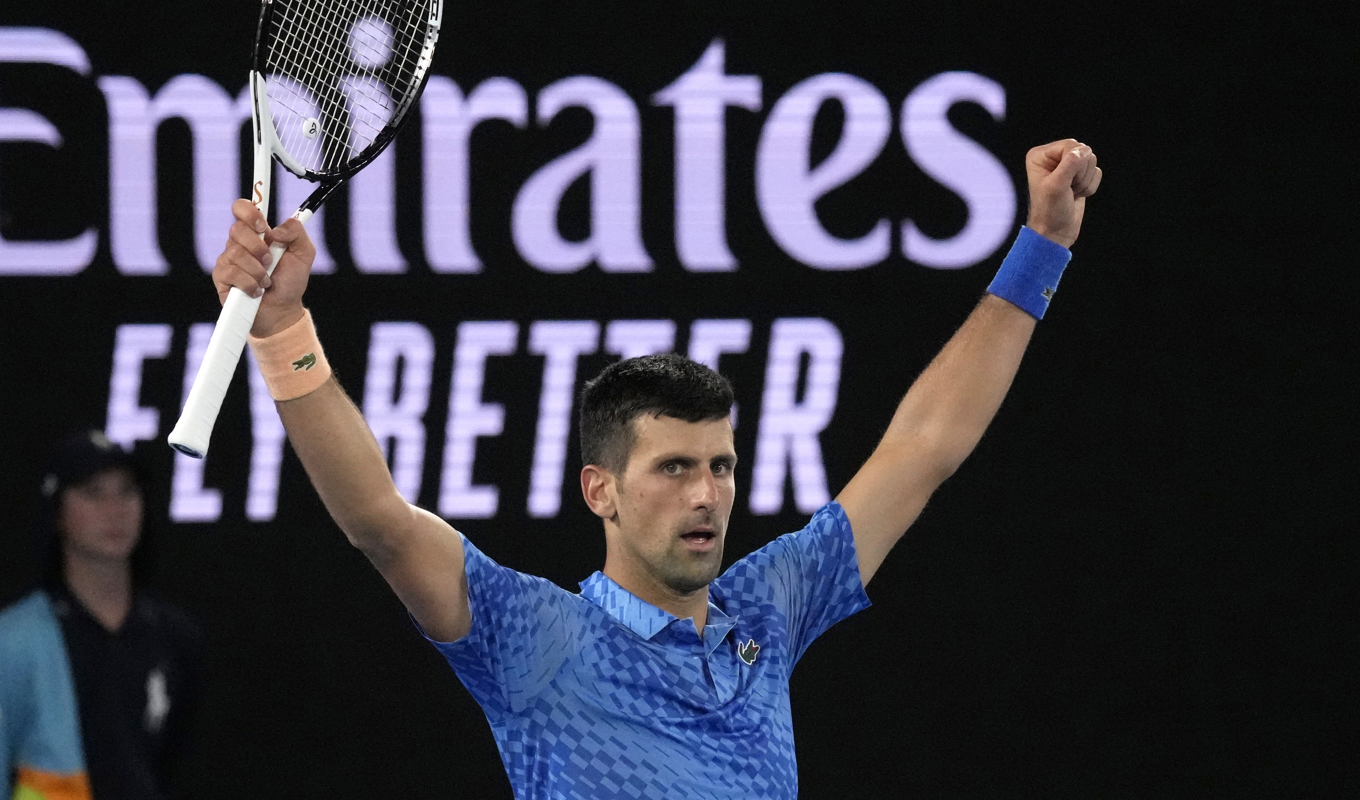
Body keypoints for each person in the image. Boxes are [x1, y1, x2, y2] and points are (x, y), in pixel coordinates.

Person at [210, 139, 1100, 798]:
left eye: (720, 465)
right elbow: (378, 518)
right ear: (600, 489)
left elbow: (923, 447)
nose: (707, 493)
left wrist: (1043, 247)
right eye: (673, 468)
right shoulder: (536, 640)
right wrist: (284, 329)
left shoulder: (770, 609)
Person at [0, 431, 204, 800]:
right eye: (93, 493)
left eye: (127, 491)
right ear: (57, 511)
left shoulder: (176, 638)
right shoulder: (14, 642)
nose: (116, 510)